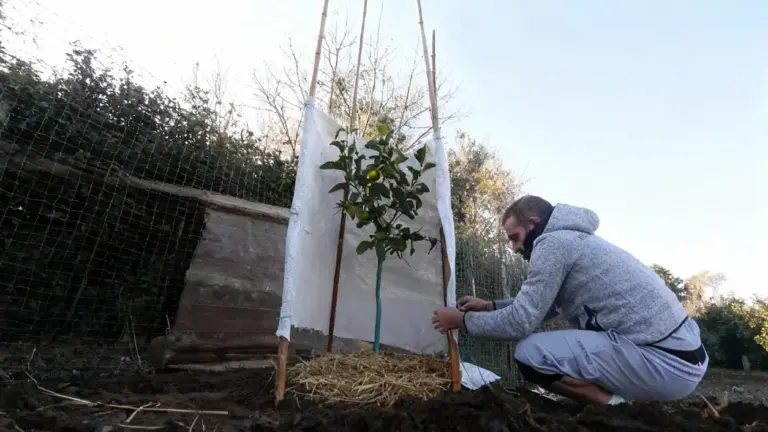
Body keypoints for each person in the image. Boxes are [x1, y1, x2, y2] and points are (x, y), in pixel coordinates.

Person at [432, 195, 708, 405]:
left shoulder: (552, 244)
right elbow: (547, 307)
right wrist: (489, 306)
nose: (515, 248)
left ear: (533, 223)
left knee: (530, 355)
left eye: (515, 238)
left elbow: (521, 322)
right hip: (686, 358)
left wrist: (463, 321)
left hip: (664, 363)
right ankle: (613, 401)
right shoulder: (573, 239)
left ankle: (617, 408)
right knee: (549, 351)